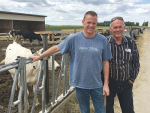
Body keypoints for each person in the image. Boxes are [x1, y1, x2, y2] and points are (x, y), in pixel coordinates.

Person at [29, 11, 112, 113]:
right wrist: (40, 56)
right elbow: (56, 48)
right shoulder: (73, 39)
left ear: (96, 23)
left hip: (97, 83)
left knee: (101, 110)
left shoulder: (102, 40)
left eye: (94, 23)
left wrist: (106, 84)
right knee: (84, 110)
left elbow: (105, 62)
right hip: (80, 84)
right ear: (83, 22)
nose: (91, 25)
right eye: (88, 22)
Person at [106, 17, 140, 113]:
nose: (118, 30)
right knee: (108, 110)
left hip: (126, 83)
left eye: (120, 27)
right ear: (111, 29)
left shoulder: (130, 42)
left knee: (128, 109)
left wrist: (131, 79)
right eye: (115, 27)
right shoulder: (105, 43)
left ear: (124, 27)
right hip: (110, 83)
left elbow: (136, 62)